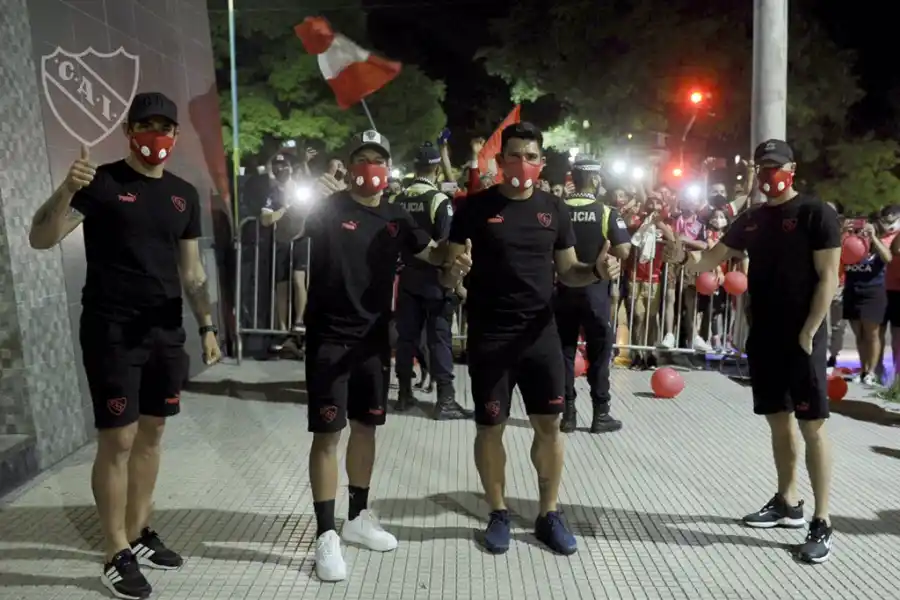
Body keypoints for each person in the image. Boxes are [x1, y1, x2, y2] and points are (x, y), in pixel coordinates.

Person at [28, 92, 222, 599]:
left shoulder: (183, 194)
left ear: (175, 135)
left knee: (153, 434)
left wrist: (207, 325)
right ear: (128, 131)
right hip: (112, 330)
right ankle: (114, 549)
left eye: (165, 127)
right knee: (118, 439)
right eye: (146, 126)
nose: (156, 136)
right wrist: (67, 191)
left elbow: (192, 271)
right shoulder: (103, 183)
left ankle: (137, 532)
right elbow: (41, 238)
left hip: (166, 333)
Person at [277, 130, 464, 582]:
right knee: (328, 433)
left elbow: (434, 253)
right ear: (349, 165)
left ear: (388, 168)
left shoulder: (398, 216)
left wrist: (456, 260)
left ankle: (358, 518)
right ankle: (326, 534)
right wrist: (301, 204)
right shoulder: (328, 206)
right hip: (329, 336)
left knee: (366, 428)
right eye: (361, 158)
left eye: (378, 159)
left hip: (375, 337)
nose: (370, 167)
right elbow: (286, 232)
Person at [441, 123, 621, 556]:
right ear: (501, 162)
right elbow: (448, 272)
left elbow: (570, 271)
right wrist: (455, 272)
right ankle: (499, 512)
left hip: (541, 335)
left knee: (550, 427)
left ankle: (548, 513)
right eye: (516, 155)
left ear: (542, 163)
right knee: (490, 428)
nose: (523, 163)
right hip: (490, 336)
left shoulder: (554, 210)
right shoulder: (471, 208)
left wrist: (597, 271)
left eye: (532, 156)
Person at [664, 139, 840, 564]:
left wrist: (811, 330)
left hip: (802, 337)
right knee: (778, 423)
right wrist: (680, 257)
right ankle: (788, 502)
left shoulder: (817, 213)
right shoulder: (753, 219)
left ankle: (822, 520)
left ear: (792, 168)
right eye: (762, 167)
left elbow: (828, 276)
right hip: (764, 336)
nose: (767, 174)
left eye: (775, 166)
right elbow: (712, 260)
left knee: (812, 425)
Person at [392, 142, 471, 419]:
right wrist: (455, 282)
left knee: (406, 337)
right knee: (439, 338)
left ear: (414, 167)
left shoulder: (398, 199)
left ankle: (404, 394)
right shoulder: (439, 201)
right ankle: (445, 400)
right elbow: (447, 247)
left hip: (406, 277)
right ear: (436, 168)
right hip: (435, 280)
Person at [555, 157, 631, 433]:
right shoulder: (607, 212)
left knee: (564, 351)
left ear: (573, 178)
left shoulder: (557, 209)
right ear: (596, 180)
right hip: (595, 291)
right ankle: (601, 414)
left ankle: (568, 415)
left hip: (562, 289)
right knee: (599, 352)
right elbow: (623, 250)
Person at [260, 154, 308, 353]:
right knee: (281, 286)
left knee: (299, 280)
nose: (281, 169)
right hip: (280, 242)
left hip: (301, 239)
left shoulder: (301, 188)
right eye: (277, 166)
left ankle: (299, 322)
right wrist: (284, 209)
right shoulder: (272, 193)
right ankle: (281, 329)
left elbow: (311, 212)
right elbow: (265, 219)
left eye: (285, 165)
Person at [843, 210, 895, 385]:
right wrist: (843, 232)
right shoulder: (849, 243)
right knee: (859, 335)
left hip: (873, 293)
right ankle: (863, 369)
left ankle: (872, 372)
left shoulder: (878, 245)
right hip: (852, 291)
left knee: (872, 335)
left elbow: (888, 258)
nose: (860, 231)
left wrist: (873, 238)